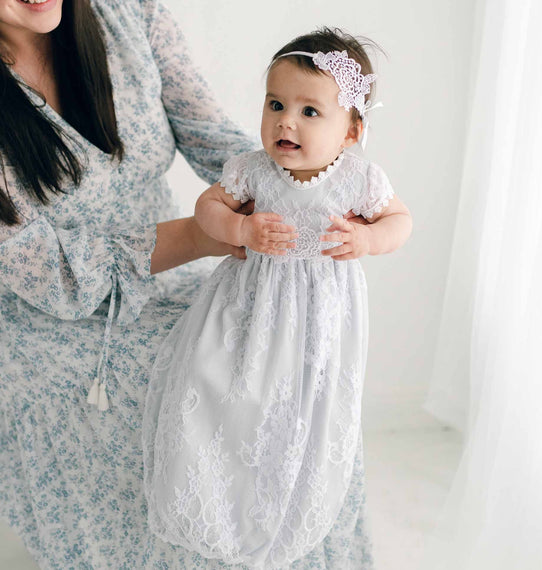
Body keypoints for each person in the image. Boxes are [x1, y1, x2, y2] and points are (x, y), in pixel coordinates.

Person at [0, 0, 406, 568]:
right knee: (193, 401)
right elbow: (51, 272)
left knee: (299, 375)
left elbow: (220, 139)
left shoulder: (128, 15)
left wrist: (299, 184)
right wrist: (219, 230)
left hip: (180, 264)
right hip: (46, 315)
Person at [143, 29, 413, 569]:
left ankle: (285, 488)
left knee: (303, 401)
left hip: (320, 315)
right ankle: (216, 487)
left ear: (352, 129)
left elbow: (400, 222)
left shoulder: (359, 180)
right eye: (276, 104)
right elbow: (207, 206)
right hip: (250, 304)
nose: (285, 121)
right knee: (224, 384)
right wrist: (238, 232)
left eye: (310, 111)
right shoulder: (254, 171)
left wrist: (367, 239)